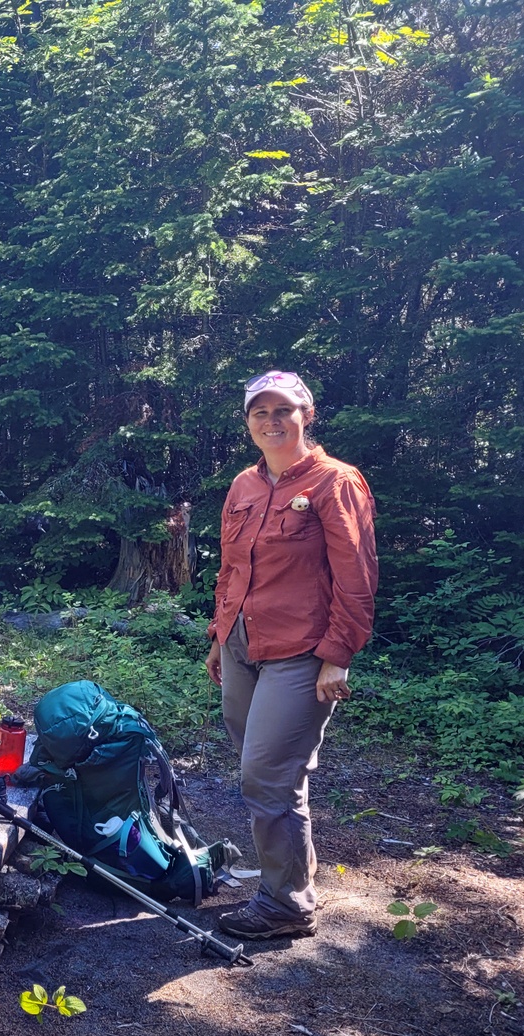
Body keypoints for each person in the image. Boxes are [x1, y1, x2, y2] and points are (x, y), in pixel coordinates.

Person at [204, 371, 378, 940]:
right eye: (261, 411)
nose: (272, 421)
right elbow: (231, 568)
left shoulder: (336, 482)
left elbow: (356, 578)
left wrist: (339, 654)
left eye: (284, 410)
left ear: (307, 415)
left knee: (268, 776)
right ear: (248, 421)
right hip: (241, 647)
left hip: (301, 653)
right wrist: (219, 636)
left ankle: (286, 906)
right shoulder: (244, 485)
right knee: (269, 772)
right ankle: (293, 876)